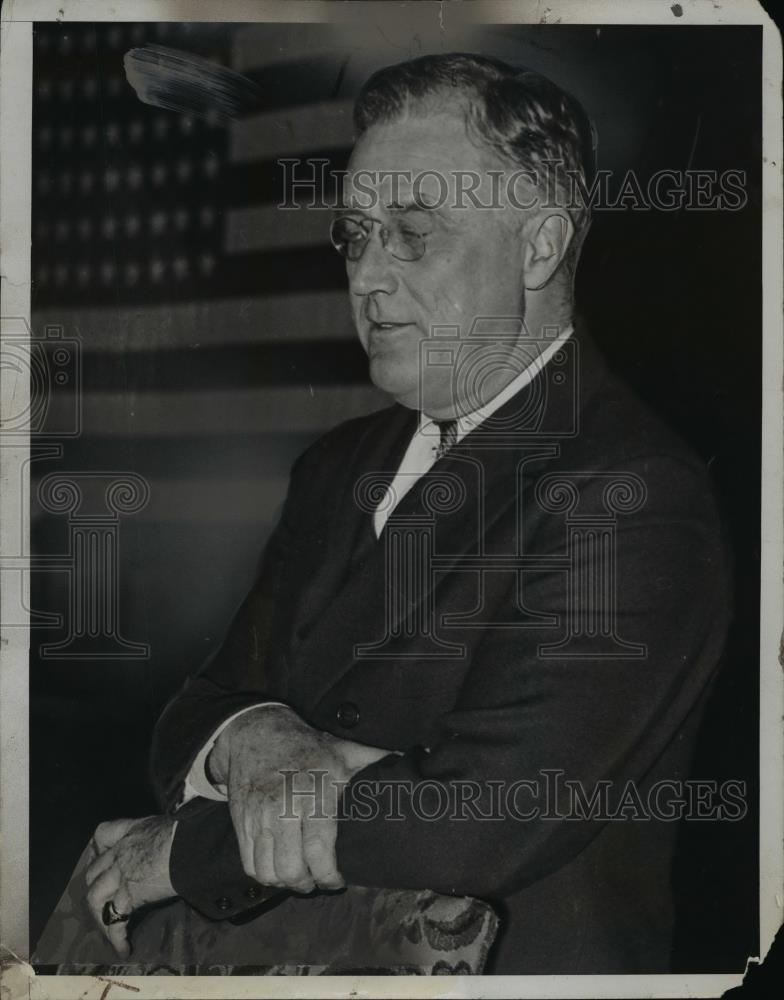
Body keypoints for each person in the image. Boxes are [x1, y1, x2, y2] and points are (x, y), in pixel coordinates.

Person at [78, 53, 731, 974]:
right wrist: (259, 737)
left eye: (413, 233)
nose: (368, 278)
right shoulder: (338, 464)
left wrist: (182, 854)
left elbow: (487, 818)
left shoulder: (634, 494)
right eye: (355, 234)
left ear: (540, 246)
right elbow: (197, 711)